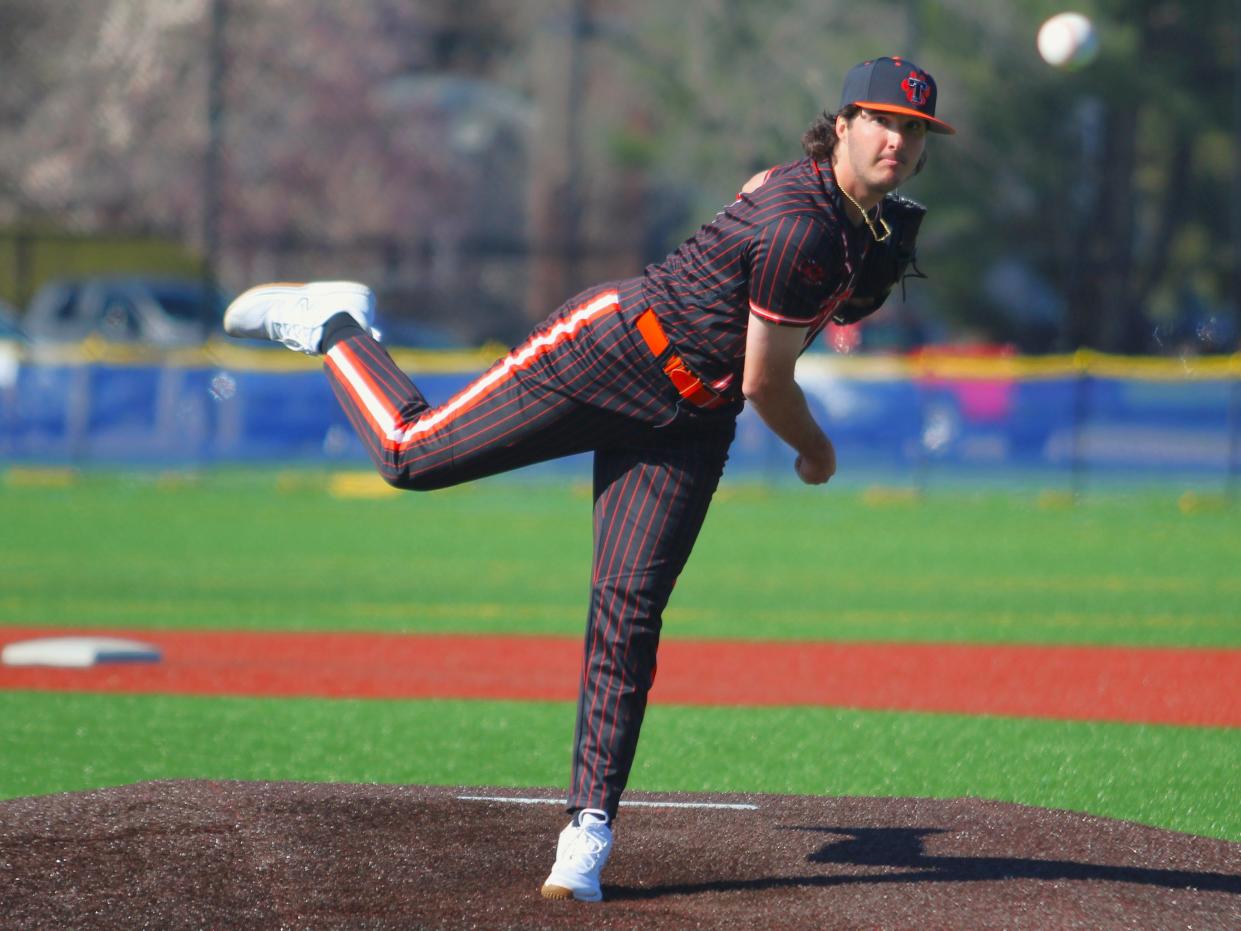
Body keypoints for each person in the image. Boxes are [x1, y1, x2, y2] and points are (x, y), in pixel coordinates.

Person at [223, 55, 953, 903]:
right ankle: (333, 322)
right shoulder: (807, 228)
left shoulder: (838, 216)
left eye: (912, 129)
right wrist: (816, 451)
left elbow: (773, 242)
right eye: (880, 120)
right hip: (607, 352)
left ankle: (587, 829)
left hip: (685, 422)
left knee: (627, 616)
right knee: (409, 456)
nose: (895, 138)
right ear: (842, 124)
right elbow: (765, 380)